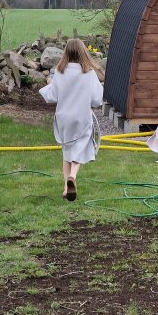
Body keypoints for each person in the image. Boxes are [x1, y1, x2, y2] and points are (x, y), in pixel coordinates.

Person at [39, 38, 103, 200]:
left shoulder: (60, 72)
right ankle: (72, 176)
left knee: (66, 150)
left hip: (64, 117)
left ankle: (66, 190)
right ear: (83, 53)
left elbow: (52, 95)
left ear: (66, 53)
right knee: (80, 147)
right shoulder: (89, 73)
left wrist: (48, 83)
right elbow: (96, 99)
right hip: (81, 116)